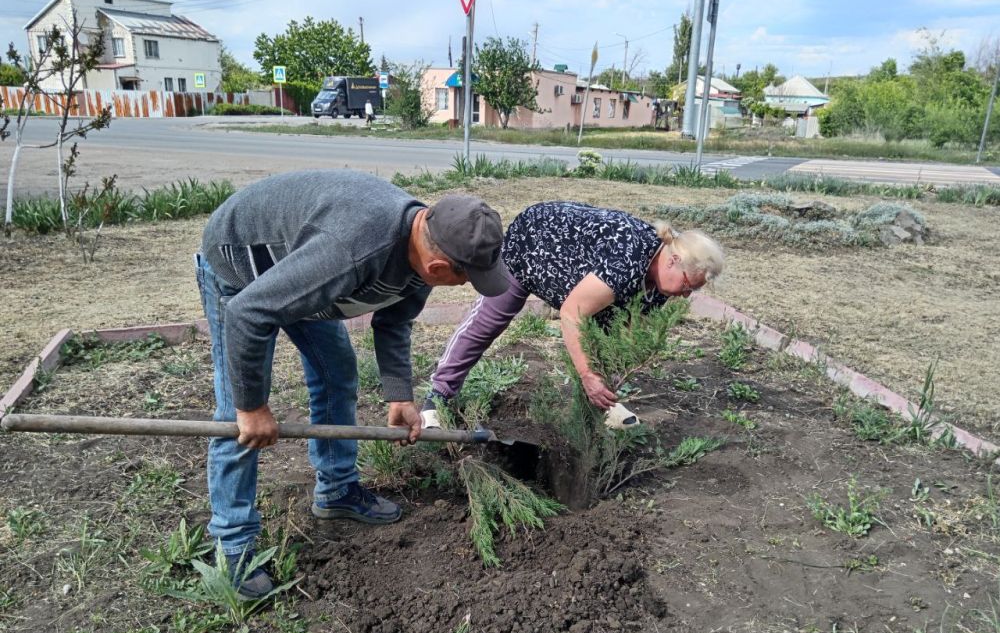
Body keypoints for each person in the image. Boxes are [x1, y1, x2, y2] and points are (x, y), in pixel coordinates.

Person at [195, 170, 507, 597]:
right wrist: (252, 407)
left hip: (304, 270)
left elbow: (394, 321)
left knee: (337, 373)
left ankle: (337, 490)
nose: (470, 286)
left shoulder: (424, 248)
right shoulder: (352, 249)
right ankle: (233, 544)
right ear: (439, 266)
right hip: (242, 270)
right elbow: (249, 314)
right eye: (467, 278)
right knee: (236, 410)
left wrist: (400, 395)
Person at [422, 201, 724, 428]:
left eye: (692, 291)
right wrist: (587, 375)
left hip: (578, 273)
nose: (686, 295)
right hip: (535, 244)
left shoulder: (660, 284)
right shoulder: (626, 260)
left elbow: (623, 331)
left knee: (608, 331)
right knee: (489, 321)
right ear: (672, 260)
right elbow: (572, 314)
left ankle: (602, 406)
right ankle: (438, 397)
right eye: (687, 284)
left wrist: (608, 381)